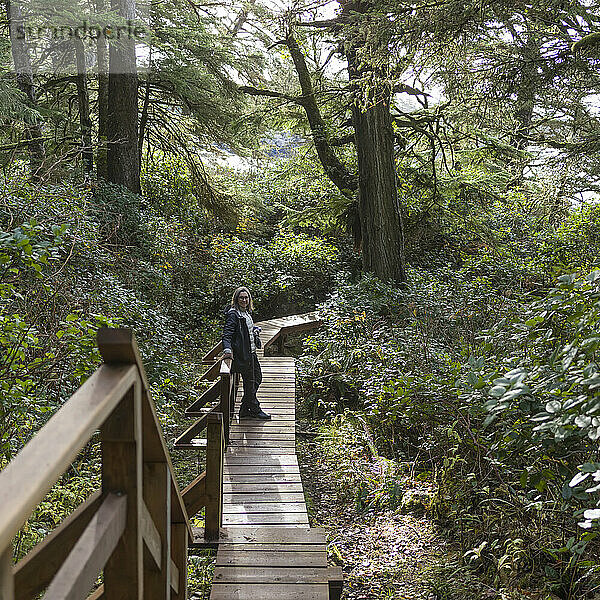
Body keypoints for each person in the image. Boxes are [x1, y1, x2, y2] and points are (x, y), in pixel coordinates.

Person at [222, 286, 271, 420]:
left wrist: (254, 330)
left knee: (257, 379)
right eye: (241, 298)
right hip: (243, 355)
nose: (244, 300)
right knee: (251, 382)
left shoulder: (246, 312)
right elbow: (227, 335)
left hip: (252, 353)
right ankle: (254, 409)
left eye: (246, 297)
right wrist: (227, 350)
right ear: (236, 299)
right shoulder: (233, 314)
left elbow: (244, 329)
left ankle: (244, 409)